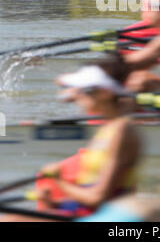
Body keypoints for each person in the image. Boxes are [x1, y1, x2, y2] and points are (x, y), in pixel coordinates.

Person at [0, 53, 141, 222]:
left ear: (104, 93)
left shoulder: (121, 132)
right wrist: (53, 203)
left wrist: (59, 181)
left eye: (83, 90)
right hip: (91, 213)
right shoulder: (109, 129)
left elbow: (97, 198)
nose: (76, 95)